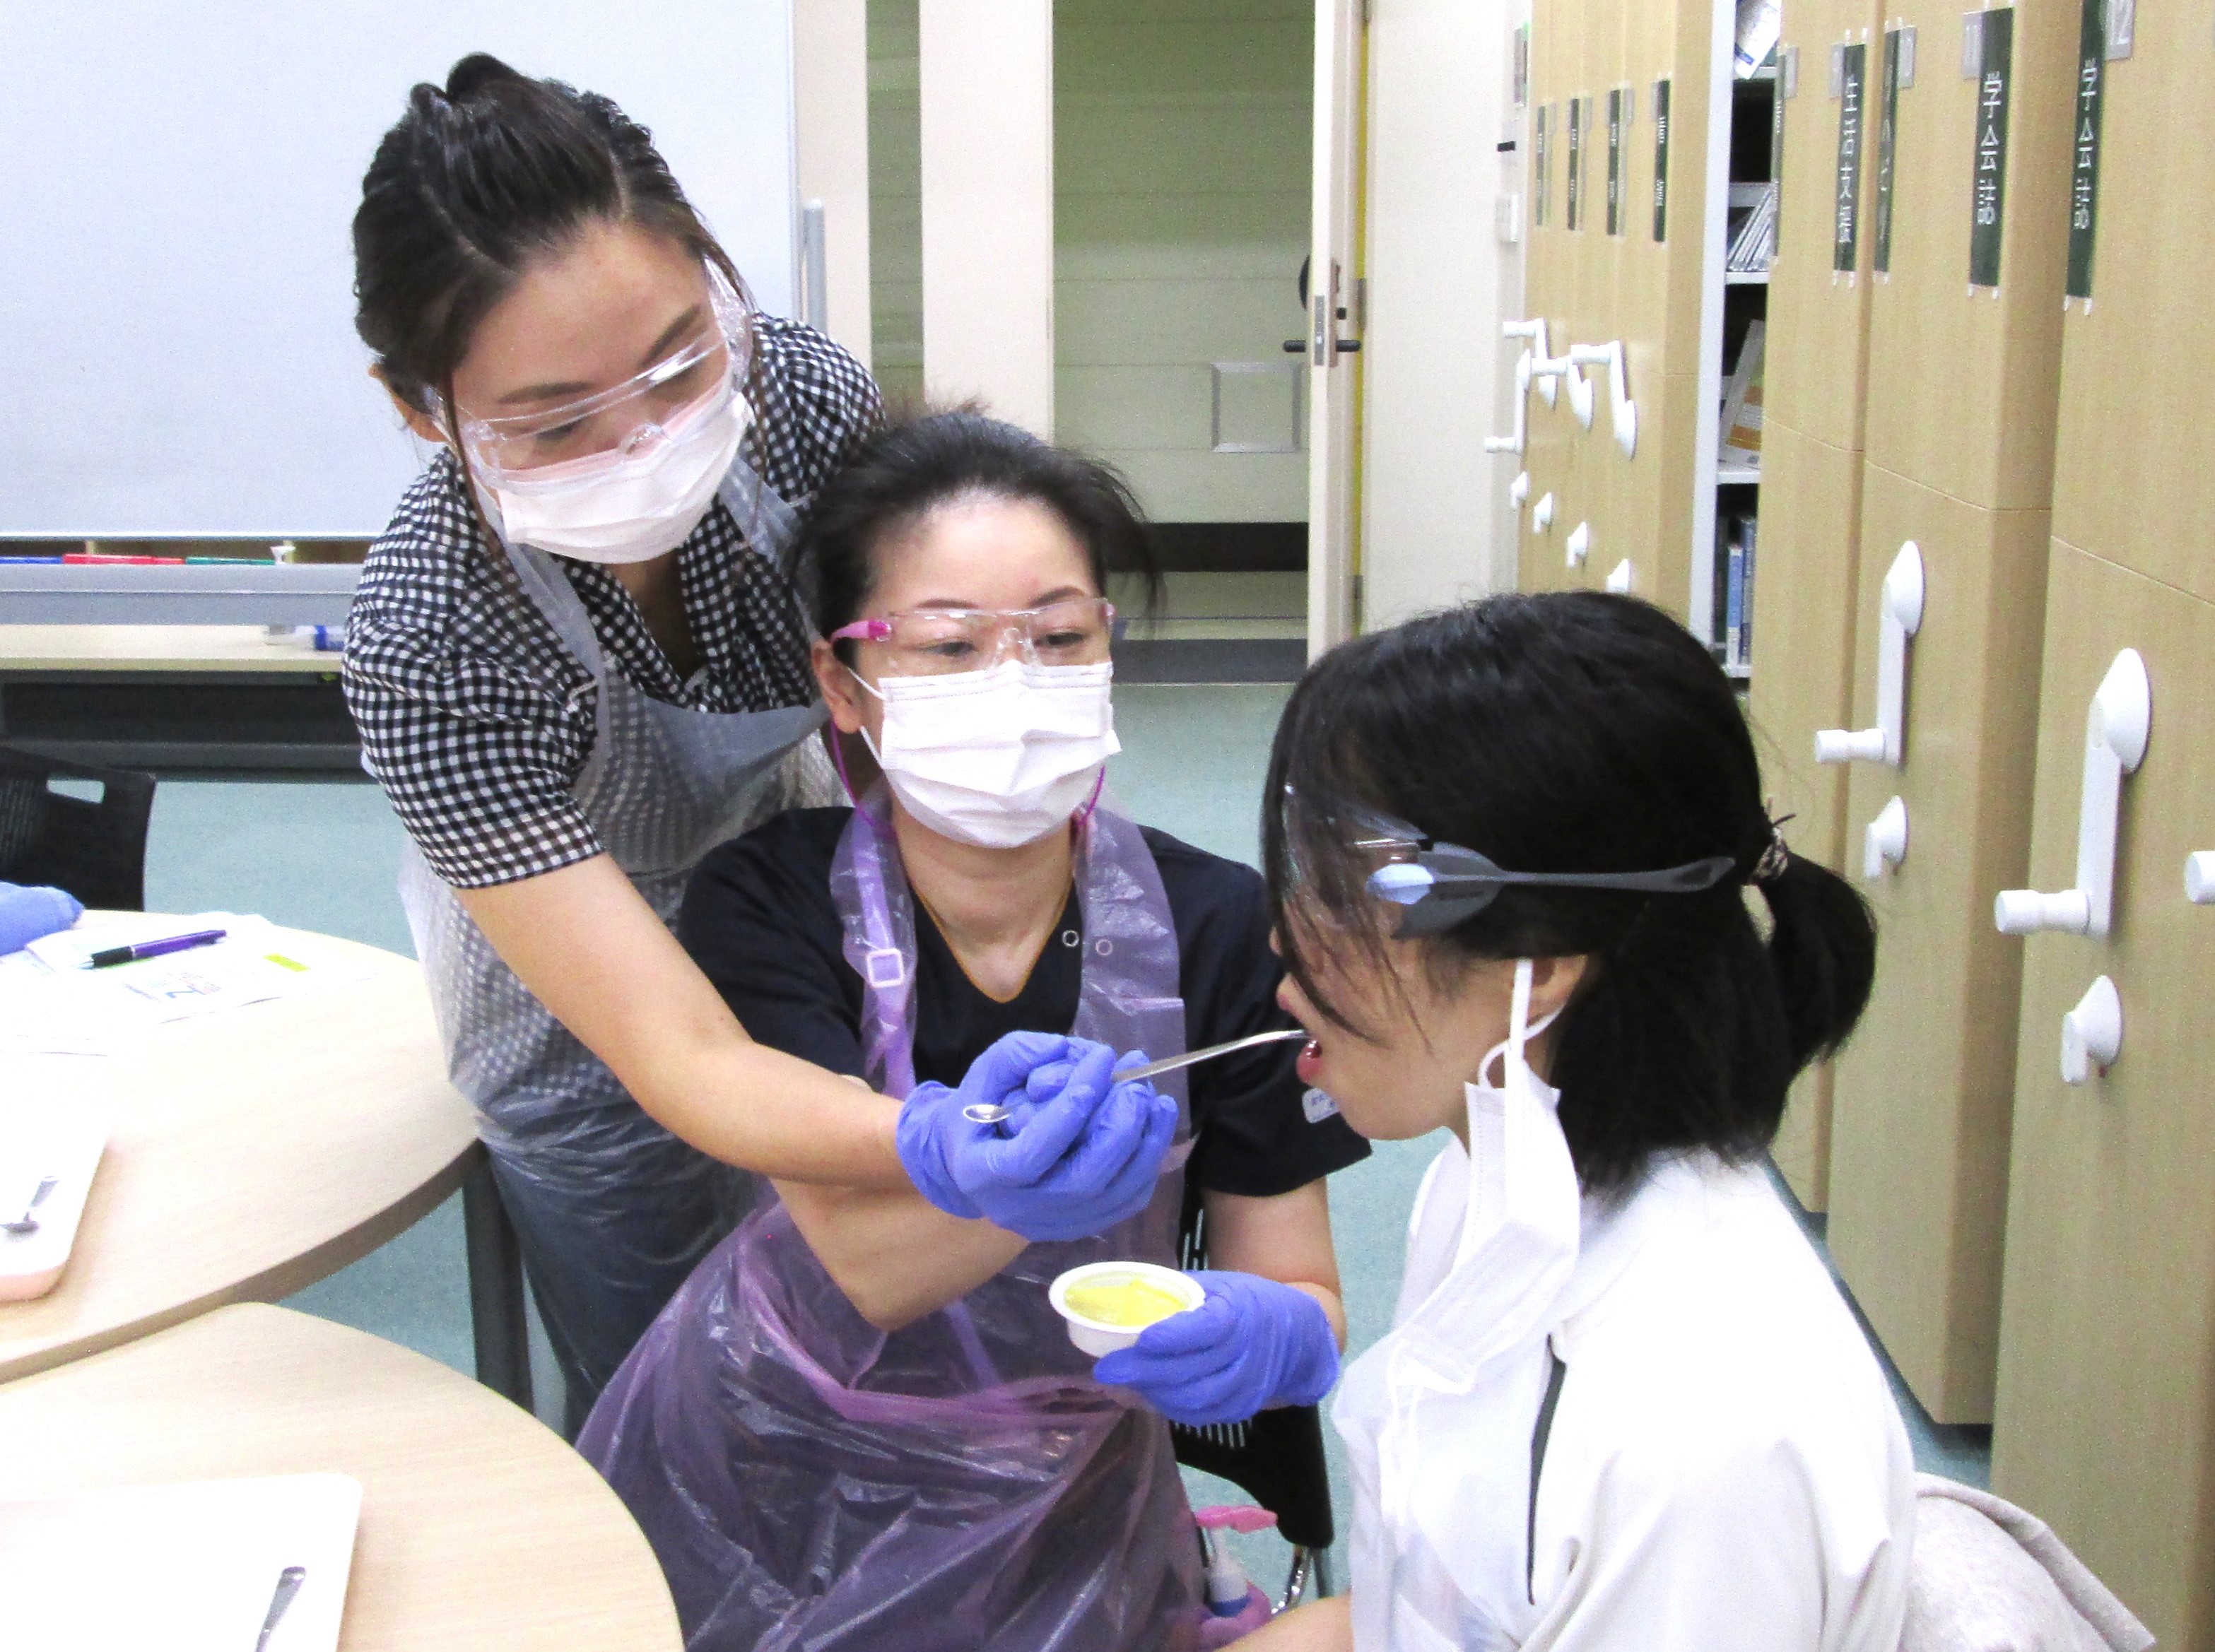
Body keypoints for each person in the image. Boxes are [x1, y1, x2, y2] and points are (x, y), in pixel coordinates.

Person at [343, 57, 1144, 1429]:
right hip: (576, 1014)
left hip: (791, 898)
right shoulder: (431, 631)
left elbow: (934, 698)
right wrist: (933, 1141)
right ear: (425, 410)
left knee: (914, 1353)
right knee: (689, 1398)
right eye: (558, 419)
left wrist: (974, 971)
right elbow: (679, 1058)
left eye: (677, 358)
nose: (651, 436)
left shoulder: (805, 412)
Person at [580, 412, 1368, 1652]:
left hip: (1072, 1496)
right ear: (843, 683)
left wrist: (1271, 1337)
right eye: (948, 644)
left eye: (1059, 635)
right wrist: (1017, 1180)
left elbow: (1301, 1285)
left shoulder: (1221, 925)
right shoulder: (768, 901)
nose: (1015, 683)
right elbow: (872, 1267)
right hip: (778, 1464)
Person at [1223, 594, 1915, 1650]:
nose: (1282, 936)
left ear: (1536, 967)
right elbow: (1428, 1610)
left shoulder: (1697, 1426)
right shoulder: (1491, 1179)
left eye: (1340, 892)